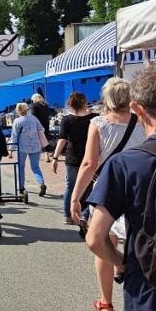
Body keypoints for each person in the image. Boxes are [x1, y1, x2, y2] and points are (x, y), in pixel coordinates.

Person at [85, 65, 156, 311]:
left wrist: (121, 260)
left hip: (153, 293)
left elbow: (95, 238)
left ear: (138, 109)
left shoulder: (126, 165)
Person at [69, 78, 146, 311]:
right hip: (138, 190)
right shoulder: (142, 121)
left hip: (108, 190)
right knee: (137, 243)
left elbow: (90, 163)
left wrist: (75, 197)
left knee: (104, 243)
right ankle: (141, 300)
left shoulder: (99, 124)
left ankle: (106, 302)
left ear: (107, 99)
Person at [51, 92, 98, 224]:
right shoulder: (94, 118)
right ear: (85, 103)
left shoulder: (66, 119)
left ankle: (67, 215)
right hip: (90, 157)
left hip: (72, 157)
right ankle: (83, 214)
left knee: (70, 186)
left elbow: (62, 140)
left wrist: (55, 158)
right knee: (88, 187)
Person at [7, 102, 47, 196]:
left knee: (21, 167)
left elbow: (14, 136)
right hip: (35, 145)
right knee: (35, 167)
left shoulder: (17, 121)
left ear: (18, 111)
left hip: (22, 147)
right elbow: (41, 129)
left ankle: (21, 187)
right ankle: (41, 183)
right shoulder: (34, 118)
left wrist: (11, 151)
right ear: (27, 110)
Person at [31, 93, 51, 162]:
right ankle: (46, 154)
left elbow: (33, 115)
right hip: (46, 123)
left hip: (38, 124)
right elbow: (48, 114)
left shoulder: (34, 105)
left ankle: (37, 155)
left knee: (37, 139)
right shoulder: (46, 105)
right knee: (45, 139)